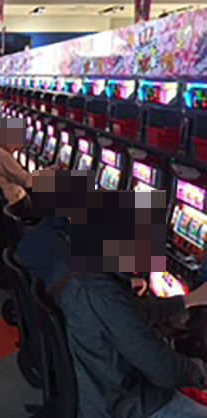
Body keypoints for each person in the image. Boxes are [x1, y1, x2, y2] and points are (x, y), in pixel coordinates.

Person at [15, 178, 207, 417]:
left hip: (90, 383)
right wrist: (200, 373)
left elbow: (126, 311)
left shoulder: (77, 272)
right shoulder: (99, 292)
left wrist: (186, 301)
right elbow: (165, 371)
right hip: (117, 401)